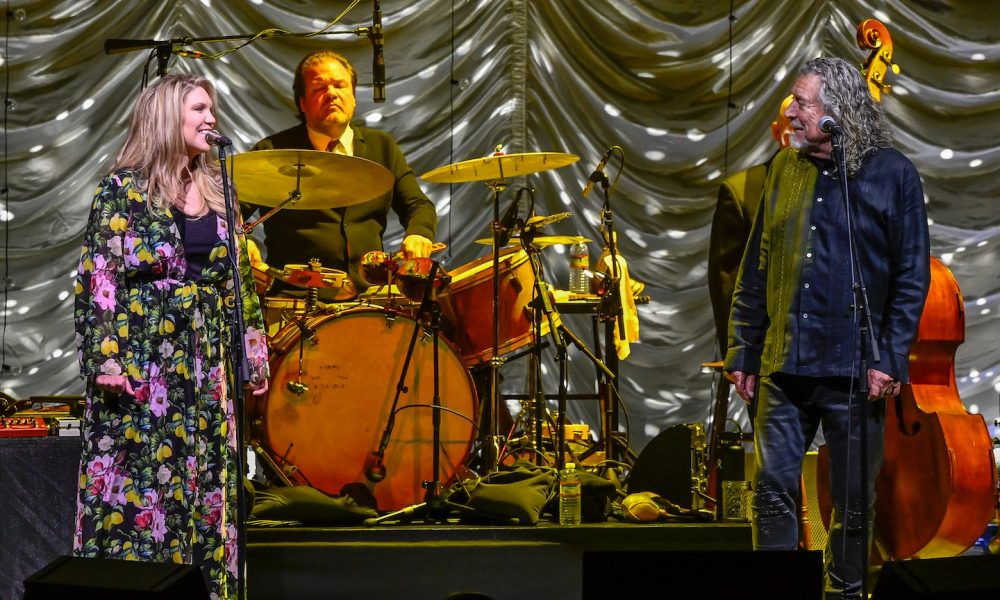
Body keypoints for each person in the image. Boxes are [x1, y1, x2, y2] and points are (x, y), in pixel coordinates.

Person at [724, 57, 930, 599]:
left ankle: (845, 594)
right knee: (770, 491)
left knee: (853, 502)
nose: (790, 112)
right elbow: (757, 265)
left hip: (855, 370)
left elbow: (912, 276)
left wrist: (890, 357)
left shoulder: (892, 174)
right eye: (792, 100)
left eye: (803, 103)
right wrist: (744, 348)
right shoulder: (783, 169)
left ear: (838, 113)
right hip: (782, 364)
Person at [73, 74, 270, 598]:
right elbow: (99, 279)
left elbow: (241, 283)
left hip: (207, 373)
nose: (212, 119)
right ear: (166, 117)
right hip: (143, 366)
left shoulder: (220, 192)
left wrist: (253, 356)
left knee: (207, 490)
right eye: (200, 109)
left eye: (213, 110)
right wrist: (106, 360)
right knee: (142, 492)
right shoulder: (123, 191)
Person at [243, 49, 437, 301]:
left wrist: (418, 233)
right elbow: (228, 211)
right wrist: (240, 241)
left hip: (370, 298)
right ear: (302, 102)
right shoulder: (273, 152)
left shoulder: (382, 147)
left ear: (354, 97)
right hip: (295, 301)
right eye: (319, 88)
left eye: (339, 85)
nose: (331, 93)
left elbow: (418, 204)